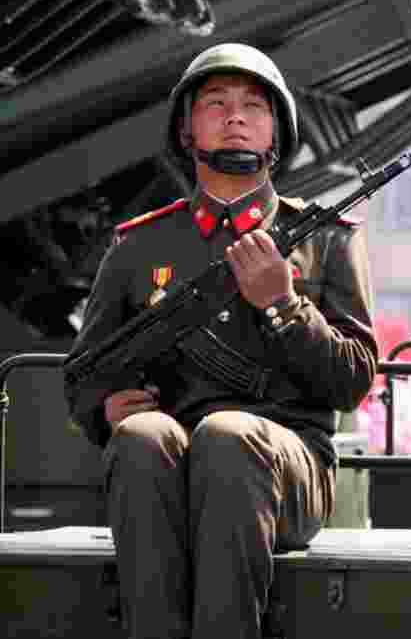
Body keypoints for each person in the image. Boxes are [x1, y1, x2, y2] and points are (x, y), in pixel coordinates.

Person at [64, 43, 378, 639]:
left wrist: (284, 304)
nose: (235, 116)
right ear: (187, 131)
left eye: (253, 106)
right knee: (139, 435)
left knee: (228, 435)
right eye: (215, 104)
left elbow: (354, 378)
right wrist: (106, 408)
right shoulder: (140, 246)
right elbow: (85, 371)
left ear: (276, 133)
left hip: (288, 466)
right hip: (171, 462)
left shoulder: (327, 239)